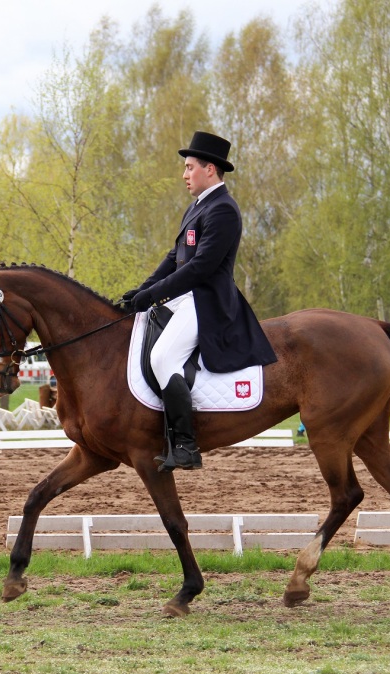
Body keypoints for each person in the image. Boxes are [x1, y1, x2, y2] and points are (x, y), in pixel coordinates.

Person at [121, 131, 278, 473]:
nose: (184, 174)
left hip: (206, 301)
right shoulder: (197, 207)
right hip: (185, 297)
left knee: (163, 358)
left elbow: (201, 267)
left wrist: (154, 294)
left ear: (210, 169)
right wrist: (142, 290)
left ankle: (185, 445)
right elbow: (174, 256)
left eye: (189, 167)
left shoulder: (223, 210)